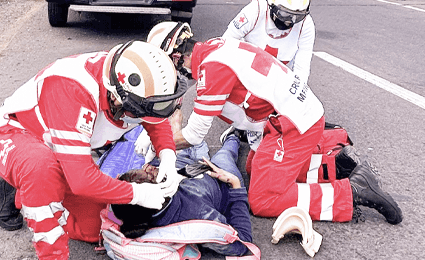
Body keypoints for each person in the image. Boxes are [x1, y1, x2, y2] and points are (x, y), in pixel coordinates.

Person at [0, 41, 188, 260]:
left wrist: (168, 157)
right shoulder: (73, 87)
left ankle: (20, 190)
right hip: (17, 134)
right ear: (118, 97)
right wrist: (138, 193)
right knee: (40, 169)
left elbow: (155, 118)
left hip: (62, 149)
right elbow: (82, 180)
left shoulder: (132, 83)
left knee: (94, 228)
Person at [144, 22, 403, 226]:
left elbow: (194, 135)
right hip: (294, 115)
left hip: (291, 124)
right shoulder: (213, 48)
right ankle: (331, 166)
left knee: (262, 199)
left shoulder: (211, 70)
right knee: (252, 167)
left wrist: (160, 145)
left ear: (176, 57)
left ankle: (353, 191)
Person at [103, 120, 253, 257]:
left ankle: (200, 144)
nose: (149, 167)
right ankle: (234, 135)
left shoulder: (138, 208)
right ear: (161, 194)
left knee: (189, 140)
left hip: (189, 165)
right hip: (221, 179)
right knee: (225, 154)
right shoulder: (198, 216)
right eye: (151, 173)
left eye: (144, 168)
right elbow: (241, 244)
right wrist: (235, 185)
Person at [223, 0, 314, 83]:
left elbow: (302, 66)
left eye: (298, 16)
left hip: (278, 82)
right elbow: (227, 42)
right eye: (285, 14)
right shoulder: (255, 10)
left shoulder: (305, 24)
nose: (290, 21)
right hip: (243, 74)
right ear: (272, 6)